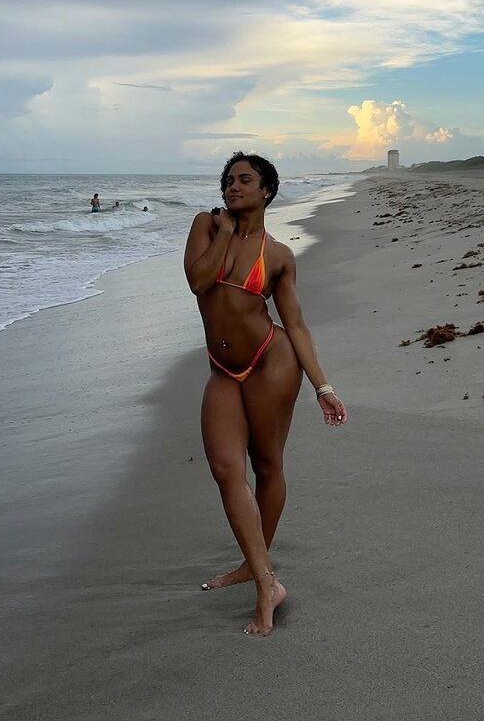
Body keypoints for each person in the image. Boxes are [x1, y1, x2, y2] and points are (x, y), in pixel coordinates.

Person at [183, 151, 347, 636]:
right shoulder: (206, 226)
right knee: (225, 468)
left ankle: (257, 573)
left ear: (266, 191)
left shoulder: (278, 256)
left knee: (267, 465)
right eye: (228, 180)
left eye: (244, 180)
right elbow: (198, 282)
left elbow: (295, 324)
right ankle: (264, 577)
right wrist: (226, 234)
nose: (232, 187)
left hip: (271, 363)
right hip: (222, 370)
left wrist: (322, 386)